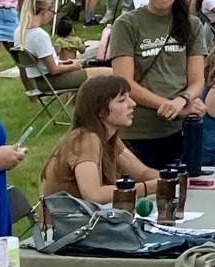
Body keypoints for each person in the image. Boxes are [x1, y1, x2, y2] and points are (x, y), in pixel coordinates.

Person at [107, 0, 206, 169]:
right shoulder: (127, 24)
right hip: (136, 130)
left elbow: (198, 79)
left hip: (179, 129)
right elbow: (124, 82)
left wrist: (183, 100)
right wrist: (167, 105)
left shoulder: (192, 24)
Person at [41, 75, 164, 205]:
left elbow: (142, 173)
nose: (133, 104)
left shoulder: (108, 136)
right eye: (122, 100)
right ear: (100, 110)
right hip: (66, 223)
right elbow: (94, 195)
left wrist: (173, 180)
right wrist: (149, 187)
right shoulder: (86, 139)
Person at [17, 0, 87, 89]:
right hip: (52, 81)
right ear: (45, 11)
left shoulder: (19, 32)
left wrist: (63, 63)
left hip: (38, 81)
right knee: (106, 75)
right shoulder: (39, 35)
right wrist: (75, 66)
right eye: (53, 12)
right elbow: (54, 70)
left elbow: (43, 63)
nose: (53, 16)